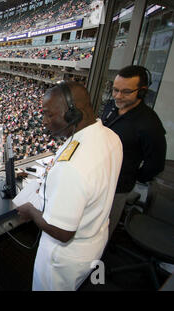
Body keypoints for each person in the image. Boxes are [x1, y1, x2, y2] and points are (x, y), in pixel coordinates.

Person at [15, 81, 123, 290]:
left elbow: (63, 232)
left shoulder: (72, 167)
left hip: (62, 259)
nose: (44, 121)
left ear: (73, 114)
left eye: (49, 114)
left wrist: (31, 211)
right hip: (94, 239)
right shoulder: (111, 137)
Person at [101, 65, 167, 237]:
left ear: (142, 91)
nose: (117, 96)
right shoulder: (110, 106)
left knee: (102, 233)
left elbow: (156, 163)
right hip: (96, 179)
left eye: (126, 92)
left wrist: (131, 175)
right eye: (115, 90)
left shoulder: (150, 124)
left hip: (118, 188)